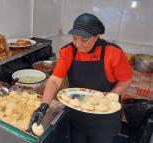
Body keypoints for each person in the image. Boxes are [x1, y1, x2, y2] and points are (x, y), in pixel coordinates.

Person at [29, 13, 132, 143]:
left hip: (104, 117)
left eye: (84, 40)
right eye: (74, 38)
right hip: (77, 113)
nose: (78, 44)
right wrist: (43, 106)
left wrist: (113, 94)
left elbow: (125, 80)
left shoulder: (113, 52)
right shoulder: (68, 51)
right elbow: (55, 80)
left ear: (97, 36)